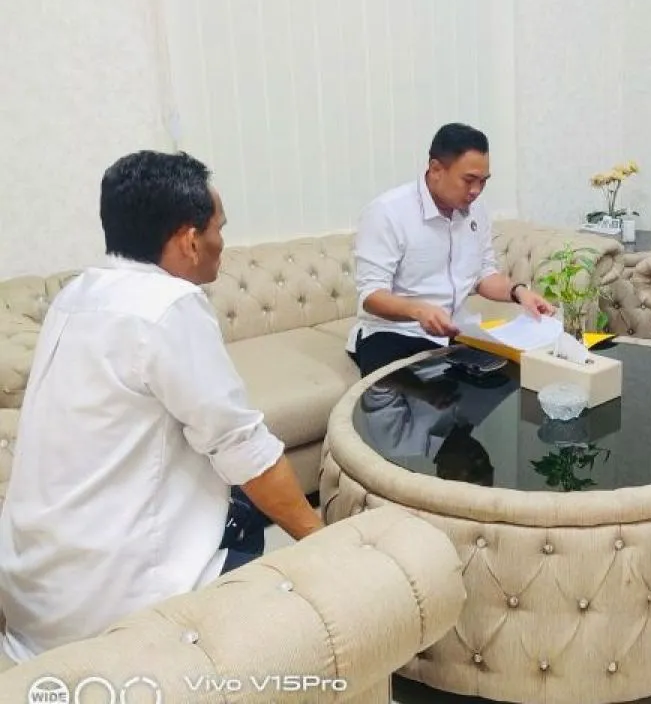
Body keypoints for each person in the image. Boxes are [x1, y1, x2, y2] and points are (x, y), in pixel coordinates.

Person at [0, 151, 323, 663]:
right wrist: (325, 546)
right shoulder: (168, 306)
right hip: (115, 608)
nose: (223, 242)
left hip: (35, 593)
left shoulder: (76, 294)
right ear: (190, 240)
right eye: (219, 228)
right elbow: (242, 445)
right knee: (250, 516)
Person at [348, 123, 555, 376]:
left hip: (455, 331)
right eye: (468, 180)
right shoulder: (387, 212)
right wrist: (418, 310)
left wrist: (518, 292)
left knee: (514, 380)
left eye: (483, 181)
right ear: (436, 169)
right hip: (394, 333)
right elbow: (371, 296)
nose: (476, 191)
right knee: (410, 394)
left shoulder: (477, 210)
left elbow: (484, 274)